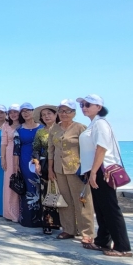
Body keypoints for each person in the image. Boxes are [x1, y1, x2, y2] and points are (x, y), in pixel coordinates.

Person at [78, 94, 132, 257]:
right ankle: (102, 241)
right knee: (101, 208)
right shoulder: (93, 124)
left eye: (88, 104)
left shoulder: (101, 124)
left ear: (99, 107)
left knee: (110, 208)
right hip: (94, 170)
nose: (84, 108)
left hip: (102, 170)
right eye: (82, 105)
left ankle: (122, 247)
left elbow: (101, 148)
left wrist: (94, 172)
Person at [48, 99, 93, 243]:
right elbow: (50, 150)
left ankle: (87, 232)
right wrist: (50, 169)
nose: (64, 114)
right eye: (61, 111)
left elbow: (88, 150)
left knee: (82, 201)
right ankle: (68, 229)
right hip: (59, 169)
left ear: (74, 113)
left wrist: (88, 169)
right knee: (65, 201)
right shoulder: (54, 128)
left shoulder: (80, 128)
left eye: (67, 111)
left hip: (76, 169)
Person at [31, 104, 61, 235]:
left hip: (62, 164)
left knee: (64, 193)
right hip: (45, 165)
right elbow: (36, 149)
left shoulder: (62, 129)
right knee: (46, 194)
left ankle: (67, 224)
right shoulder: (40, 132)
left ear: (55, 115)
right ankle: (48, 223)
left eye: (49, 113)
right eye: (43, 115)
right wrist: (37, 163)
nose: (46, 116)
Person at [12, 103, 43, 228]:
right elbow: (16, 149)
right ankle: (28, 219)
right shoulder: (19, 129)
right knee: (29, 188)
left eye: (28, 110)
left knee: (41, 188)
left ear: (33, 111)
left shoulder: (42, 128)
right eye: (23, 111)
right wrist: (16, 164)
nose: (25, 113)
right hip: (25, 160)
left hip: (41, 160)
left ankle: (43, 219)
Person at [0, 104, 21, 222]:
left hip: (22, 154)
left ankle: (22, 212)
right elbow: (3, 143)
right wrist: (2, 158)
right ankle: (10, 212)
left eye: (15, 112)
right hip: (9, 154)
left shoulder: (24, 125)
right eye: (11, 112)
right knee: (10, 182)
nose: (13, 114)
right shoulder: (6, 126)